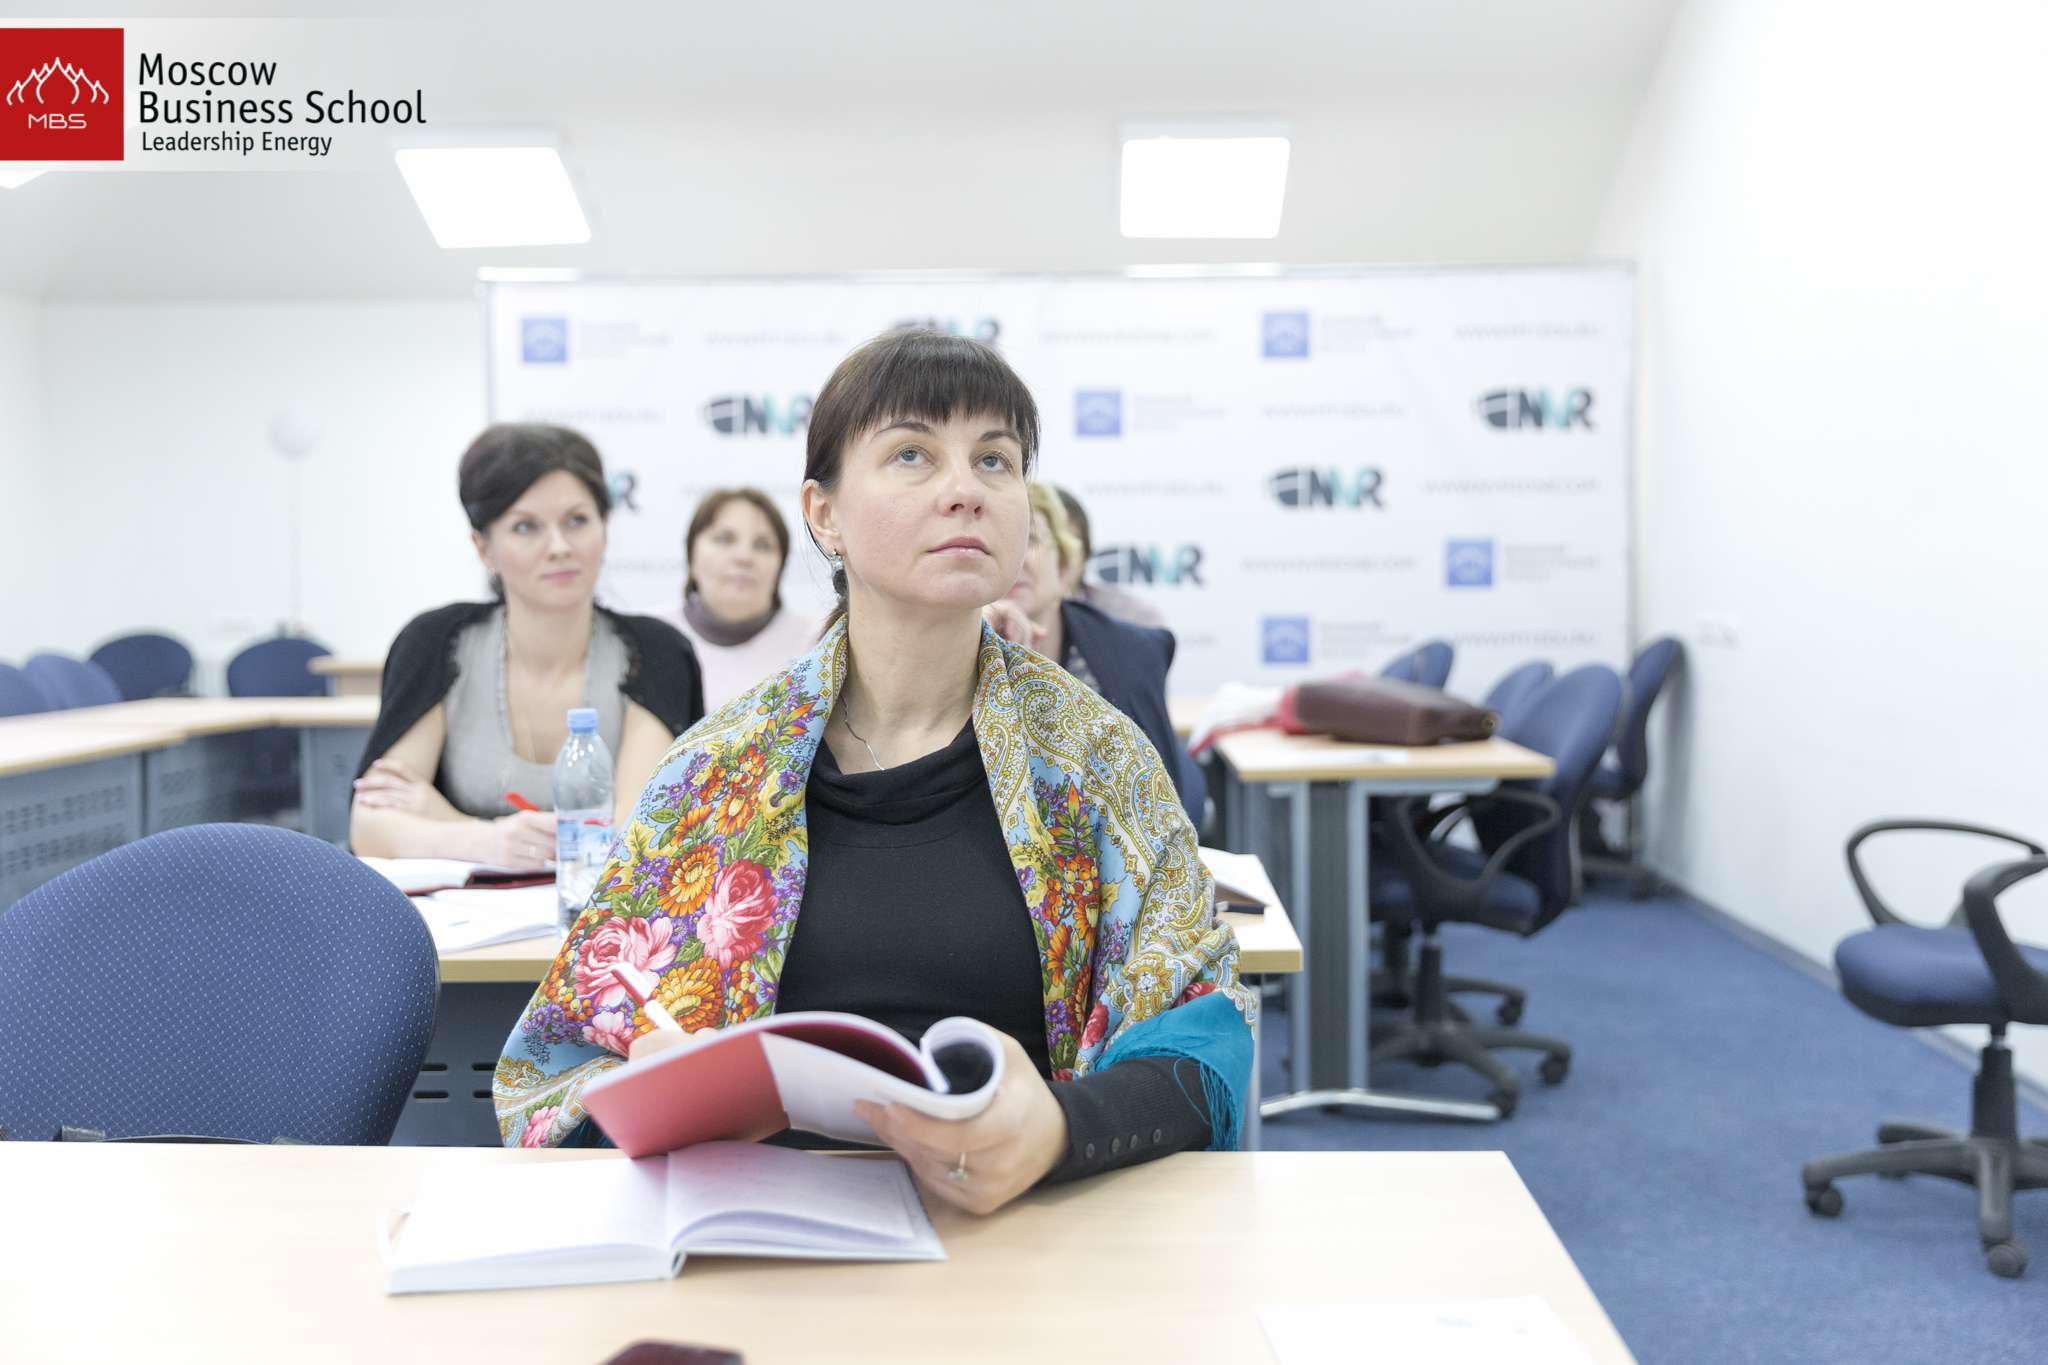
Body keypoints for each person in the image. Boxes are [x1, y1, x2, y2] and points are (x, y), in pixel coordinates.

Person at [495, 329, 1254, 1215]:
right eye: (912, 454)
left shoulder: (1095, 758)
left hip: (1019, 1228)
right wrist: (647, 1094)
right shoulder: (715, 772)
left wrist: (1060, 1127)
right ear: (824, 515)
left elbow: (1206, 1034)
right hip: (757, 1234)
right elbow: (554, 1070)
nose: (965, 489)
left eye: (996, 459)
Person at [350, 424, 705, 864]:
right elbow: (370, 826)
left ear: (605, 528)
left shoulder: (657, 652)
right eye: (525, 527)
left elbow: (636, 839)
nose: (559, 547)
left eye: (577, 521)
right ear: (484, 548)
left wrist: (445, 820)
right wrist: (485, 841)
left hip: (602, 906)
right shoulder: (436, 643)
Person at [995, 482, 1205, 829]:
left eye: (1029, 539)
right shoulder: (942, 657)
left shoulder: (1132, 653)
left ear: (1065, 570)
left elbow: (1162, 803)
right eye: (996, 539)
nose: (1014, 556)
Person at [666, 488, 820, 711]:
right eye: (724, 539)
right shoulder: (649, 637)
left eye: (762, 545)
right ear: (691, 555)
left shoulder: (817, 644)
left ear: (781, 565)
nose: (744, 557)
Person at [1051, 484, 1165, 628]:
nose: (1055, 557)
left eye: (1067, 545)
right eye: (1038, 542)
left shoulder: (1132, 618)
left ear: (1085, 556)